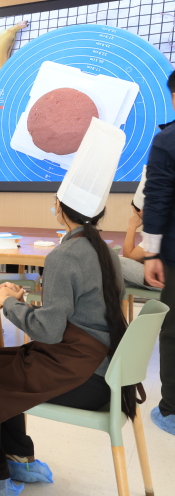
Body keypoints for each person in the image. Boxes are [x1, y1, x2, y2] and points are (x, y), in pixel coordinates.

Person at [0, 119, 134, 496]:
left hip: (83, 375)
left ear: (61, 208)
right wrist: (25, 302)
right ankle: (19, 457)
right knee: (1, 363)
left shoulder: (64, 256)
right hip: (104, 371)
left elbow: (49, 331)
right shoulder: (107, 253)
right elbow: (76, 314)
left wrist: (7, 303)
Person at [141, 69, 175, 436]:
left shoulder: (168, 140)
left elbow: (158, 196)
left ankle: (172, 411)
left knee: (173, 330)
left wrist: (152, 254)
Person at [119, 167, 160, 292]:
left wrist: (131, 227)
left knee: (117, 262)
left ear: (141, 211)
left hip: (164, 280)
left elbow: (129, 256)